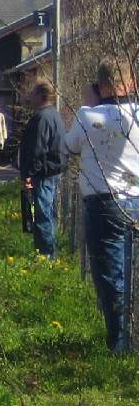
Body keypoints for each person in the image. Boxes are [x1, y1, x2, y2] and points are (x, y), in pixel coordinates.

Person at [64, 59, 139, 353]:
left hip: (103, 201)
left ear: (103, 85)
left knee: (110, 272)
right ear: (131, 83)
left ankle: (119, 342)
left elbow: (69, 146)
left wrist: (90, 103)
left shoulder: (88, 116)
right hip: (135, 197)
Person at [19, 79, 65, 259]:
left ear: (41, 95)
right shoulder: (53, 115)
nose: (30, 97)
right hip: (50, 172)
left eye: (33, 94)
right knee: (45, 213)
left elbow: (37, 149)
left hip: (43, 174)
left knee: (43, 215)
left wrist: (29, 174)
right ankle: (46, 252)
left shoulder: (42, 118)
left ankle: (46, 256)